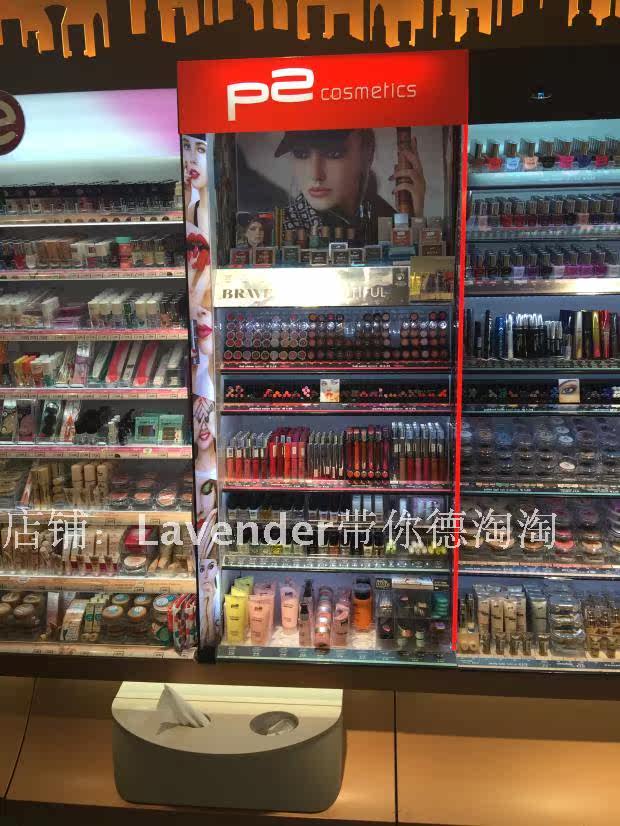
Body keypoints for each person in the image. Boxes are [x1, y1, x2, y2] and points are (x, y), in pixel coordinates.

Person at [275, 128, 426, 232]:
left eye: (333, 153)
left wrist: (415, 219)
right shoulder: (280, 230)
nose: (315, 175)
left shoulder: (387, 220)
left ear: (368, 150)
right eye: (301, 154)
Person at [182, 134, 209, 234]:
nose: (192, 159)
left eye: (201, 150)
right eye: (187, 146)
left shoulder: (224, 209)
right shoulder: (191, 211)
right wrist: (186, 201)